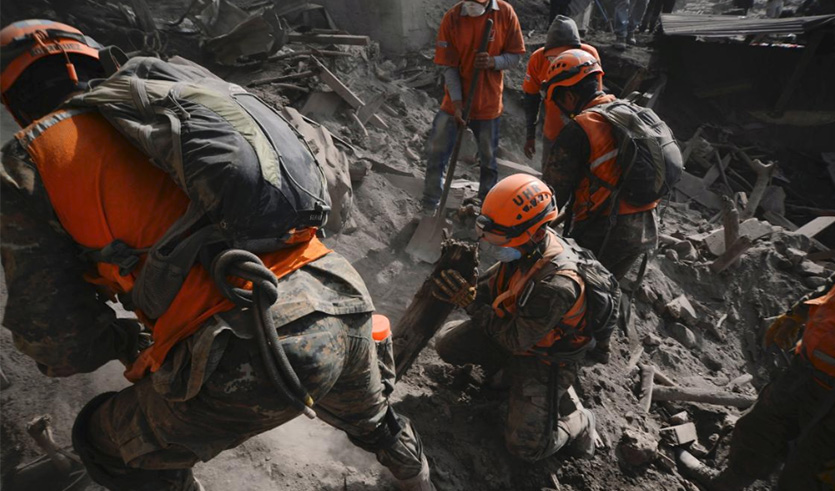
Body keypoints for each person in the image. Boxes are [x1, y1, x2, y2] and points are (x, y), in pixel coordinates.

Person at [0, 19, 433, 491]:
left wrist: (125, 345)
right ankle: (418, 479)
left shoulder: (33, 157)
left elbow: (55, 336)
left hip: (247, 349)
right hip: (343, 297)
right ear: (101, 62)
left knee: (105, 442)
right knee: (373, 418)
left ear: (13, 101)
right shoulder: (182, 99)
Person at [431, 174, 618, 462]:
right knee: (446, 344)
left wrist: (469, 304)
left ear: (534, 232)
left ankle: (579, 420)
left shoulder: (556, 286)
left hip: (545, 357)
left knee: (525, 447)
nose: (492, 245)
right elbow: (488, 290)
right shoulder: (526, 247)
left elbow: (515, 340)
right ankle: (506, 376)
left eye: (501, 239)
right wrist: (465, 285)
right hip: (517, 331)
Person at [683, 239, 835, 491]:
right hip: (807, 366)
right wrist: (802, 309)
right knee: (759, 430)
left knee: (807, 474)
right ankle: (728, 483)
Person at [542, 49, 661, 281]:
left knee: (576, 291)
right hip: (645, 225)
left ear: (568, 96)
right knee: (605, 292)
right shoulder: (625, 110)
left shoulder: (579, 129)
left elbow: (552, 195)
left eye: (559, 101)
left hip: (607, 229)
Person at [422, 0, 525, 211]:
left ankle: (485, 208)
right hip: (454, 104)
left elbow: (515, 57)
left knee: (488, 162)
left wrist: (493, 62)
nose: (471, 4)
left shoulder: (505, 14)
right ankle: (430, 205)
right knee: (436, 154)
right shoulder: (452, 18)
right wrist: (458, 104)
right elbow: (449, 67)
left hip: (488, 104)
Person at [522, 15, 599, 168]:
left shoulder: (589, 57)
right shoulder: (537, 60)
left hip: (585, 133)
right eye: (554, 58)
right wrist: (530, 136)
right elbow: (531, 100)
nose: (558, 61)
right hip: (553, 133)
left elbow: (596, 100)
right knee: (550, 177)